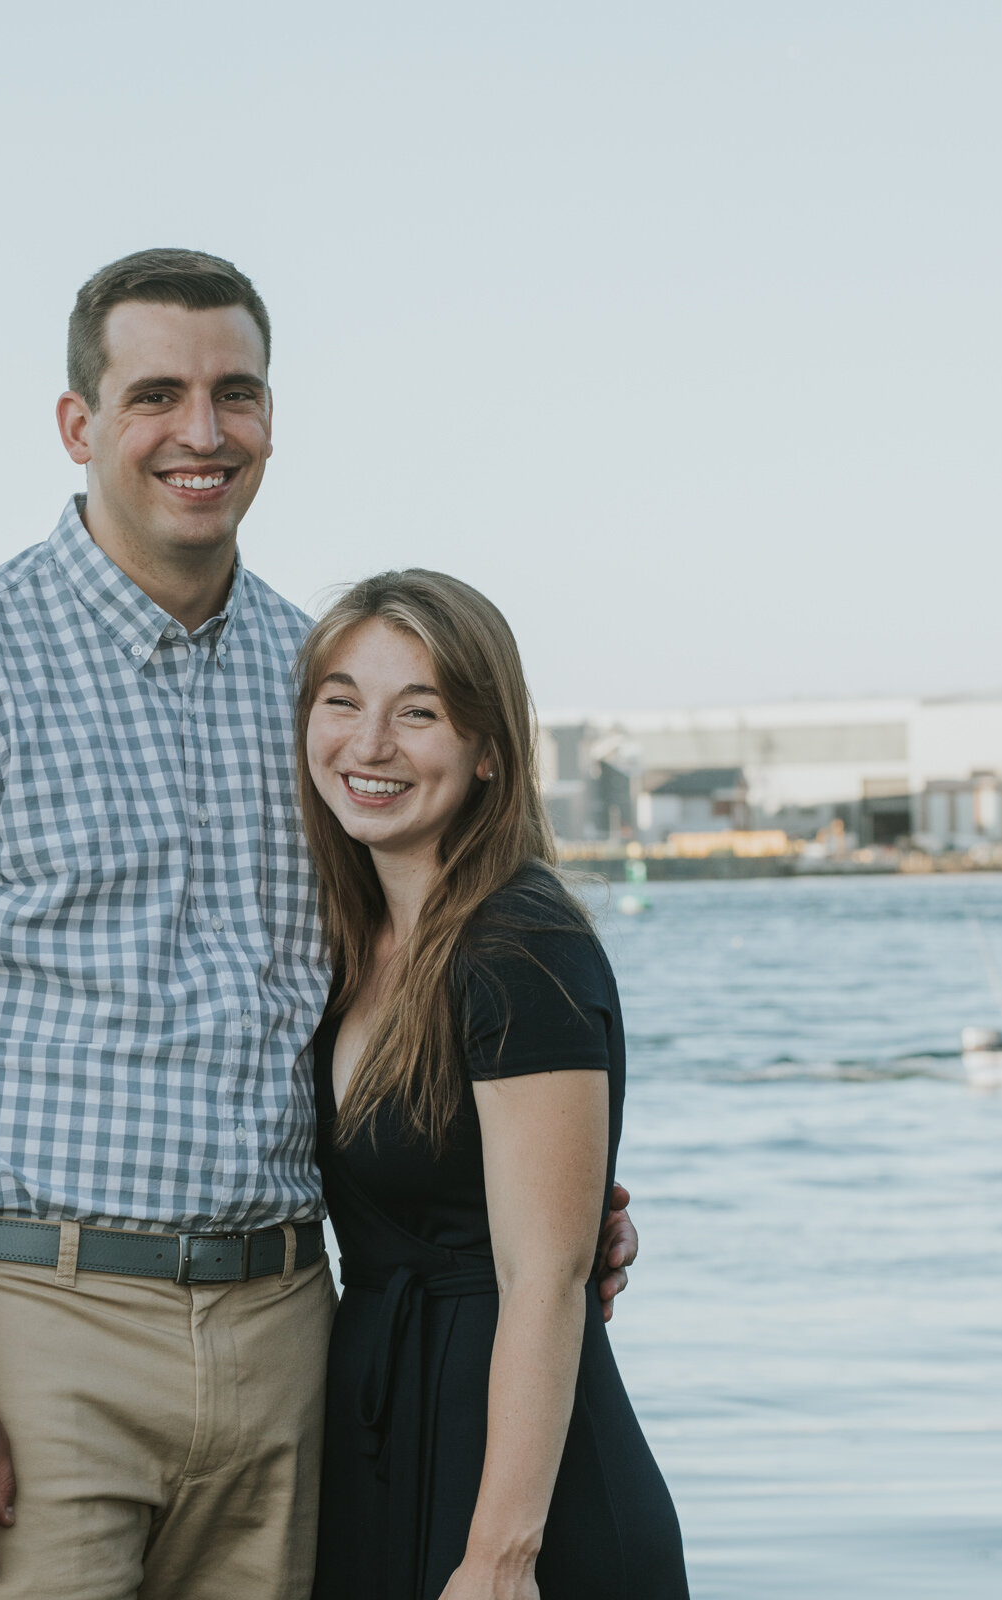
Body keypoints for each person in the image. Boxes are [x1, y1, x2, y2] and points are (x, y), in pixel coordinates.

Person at [0, 248, 638, 1600]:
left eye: (235, 394)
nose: (202, 432)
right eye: (156, 396)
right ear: (79, 426)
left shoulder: (318, 686)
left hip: (294, 1335)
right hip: (42, 1331)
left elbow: (407, 993)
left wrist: (532, 1203)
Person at [299, 572, 685, 1600]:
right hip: (386, 1444)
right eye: (341, 701)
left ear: (487, 753)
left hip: (519, 1494)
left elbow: (548, 1277)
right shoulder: (352, 943)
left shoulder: (522, 942)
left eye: (416, 712)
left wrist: (500, 1556)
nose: (368, 743)